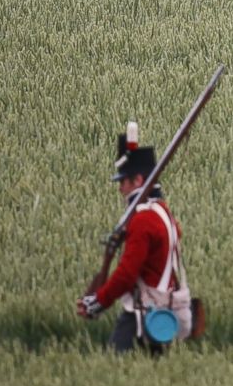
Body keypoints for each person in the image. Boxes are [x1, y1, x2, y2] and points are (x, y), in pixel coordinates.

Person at [77, 123, 195, 353]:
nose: (120, 188)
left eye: (124, 181)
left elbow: (127, 274)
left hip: (143, 316)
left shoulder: (143, 220)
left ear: (138, 181)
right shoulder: (161, 211)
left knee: (114, 364)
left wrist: (98, 302)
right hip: (160, 311)